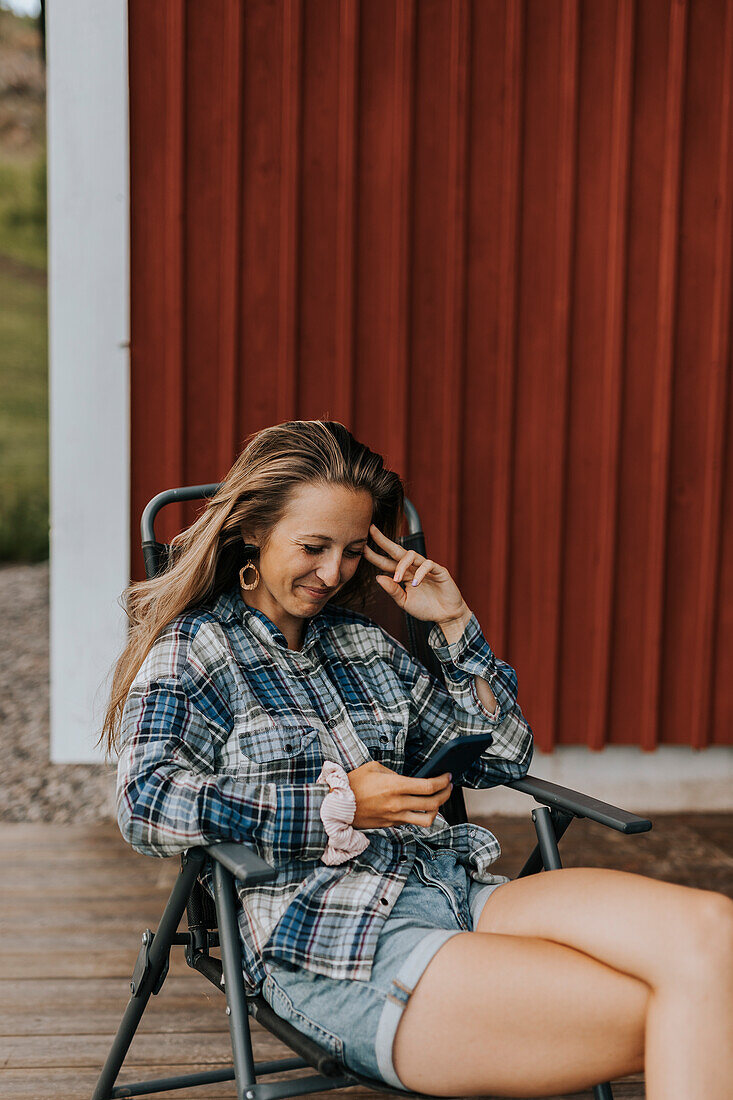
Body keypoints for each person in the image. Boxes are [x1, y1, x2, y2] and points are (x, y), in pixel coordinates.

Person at [101, 420, 733, 1099]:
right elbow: (145, 804)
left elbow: (505, 754)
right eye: (313, 547)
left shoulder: (360, 643)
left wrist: (454, 625)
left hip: (452, 889)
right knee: (685, 1011)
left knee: (713, 934)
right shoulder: (197, 649)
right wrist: (337, 805)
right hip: (334, 943)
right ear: (253, 530)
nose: (334, 574)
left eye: (350, 551)